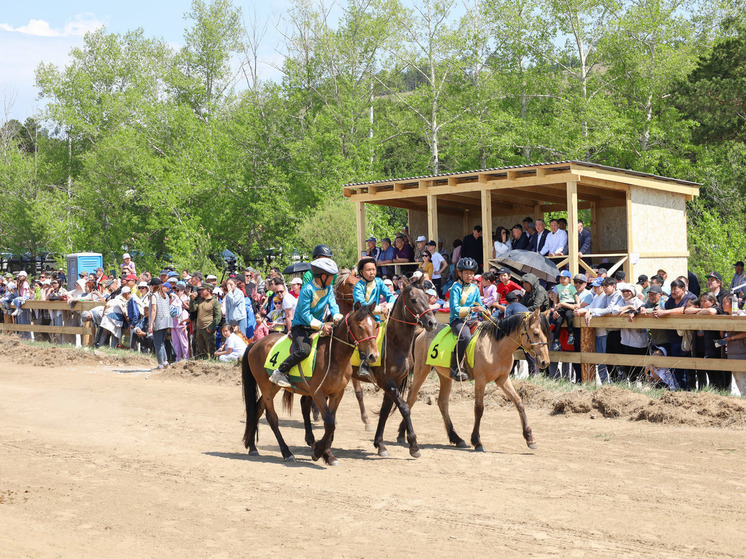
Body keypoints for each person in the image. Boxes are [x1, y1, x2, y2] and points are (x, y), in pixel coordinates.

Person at [270, 257, 343, 388]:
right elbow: (305, 314)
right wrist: (322, 326)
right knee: (304, 350)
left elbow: (333, 304)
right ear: (322, 276)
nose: (333, 279)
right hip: (301, 327)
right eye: (331, 276)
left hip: (318, 326)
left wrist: (337, 316)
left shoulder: (328, 288)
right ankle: (280, 371)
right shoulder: (307, 289)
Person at [352, 256, 395, 381]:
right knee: (363, 336)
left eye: (374, 269)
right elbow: (363, 307)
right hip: (362, 318)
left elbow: (390, 296)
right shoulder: (358, 286)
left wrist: (389, 305)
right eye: (368, 270)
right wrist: (381, 309)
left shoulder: (379, 282)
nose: (372, 273)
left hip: (375, 319)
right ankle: (363, 364)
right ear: (361, 272)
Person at [449, 257, 486, 382]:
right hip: (458, 320)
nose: (469, 276)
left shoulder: (475, 288)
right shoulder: (455, 288)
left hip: (473, 319)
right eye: (466, 273)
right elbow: (454, 309)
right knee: (465, 337)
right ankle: (455, 368)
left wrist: (484, 309)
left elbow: (478, 304)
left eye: (471, 273)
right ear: (460, 273)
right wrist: (471, 309)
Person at [189, 283, 223, 359]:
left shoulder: (214, 302)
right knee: (201, 350)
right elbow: (192, 309)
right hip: (199, 329)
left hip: (208, 329)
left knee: (211, 350)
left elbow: (218, 316)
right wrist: (192, 300)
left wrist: (211, 327)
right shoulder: (200, 300)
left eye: (202, 290)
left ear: (208, 290)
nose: (200, 291)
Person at [549, 270, 580, 350]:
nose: (562, 280)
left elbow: (576, 296)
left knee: (568, 315)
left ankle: (571, 335)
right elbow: (555, 297)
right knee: (558, 321)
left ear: (569, 279)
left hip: (570, 304)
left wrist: (578, 304)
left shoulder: (571, 287)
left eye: (564, 278)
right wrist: (555, 305)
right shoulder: (557, 287)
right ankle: (556, 340)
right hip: (561, 305)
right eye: (561, 278)